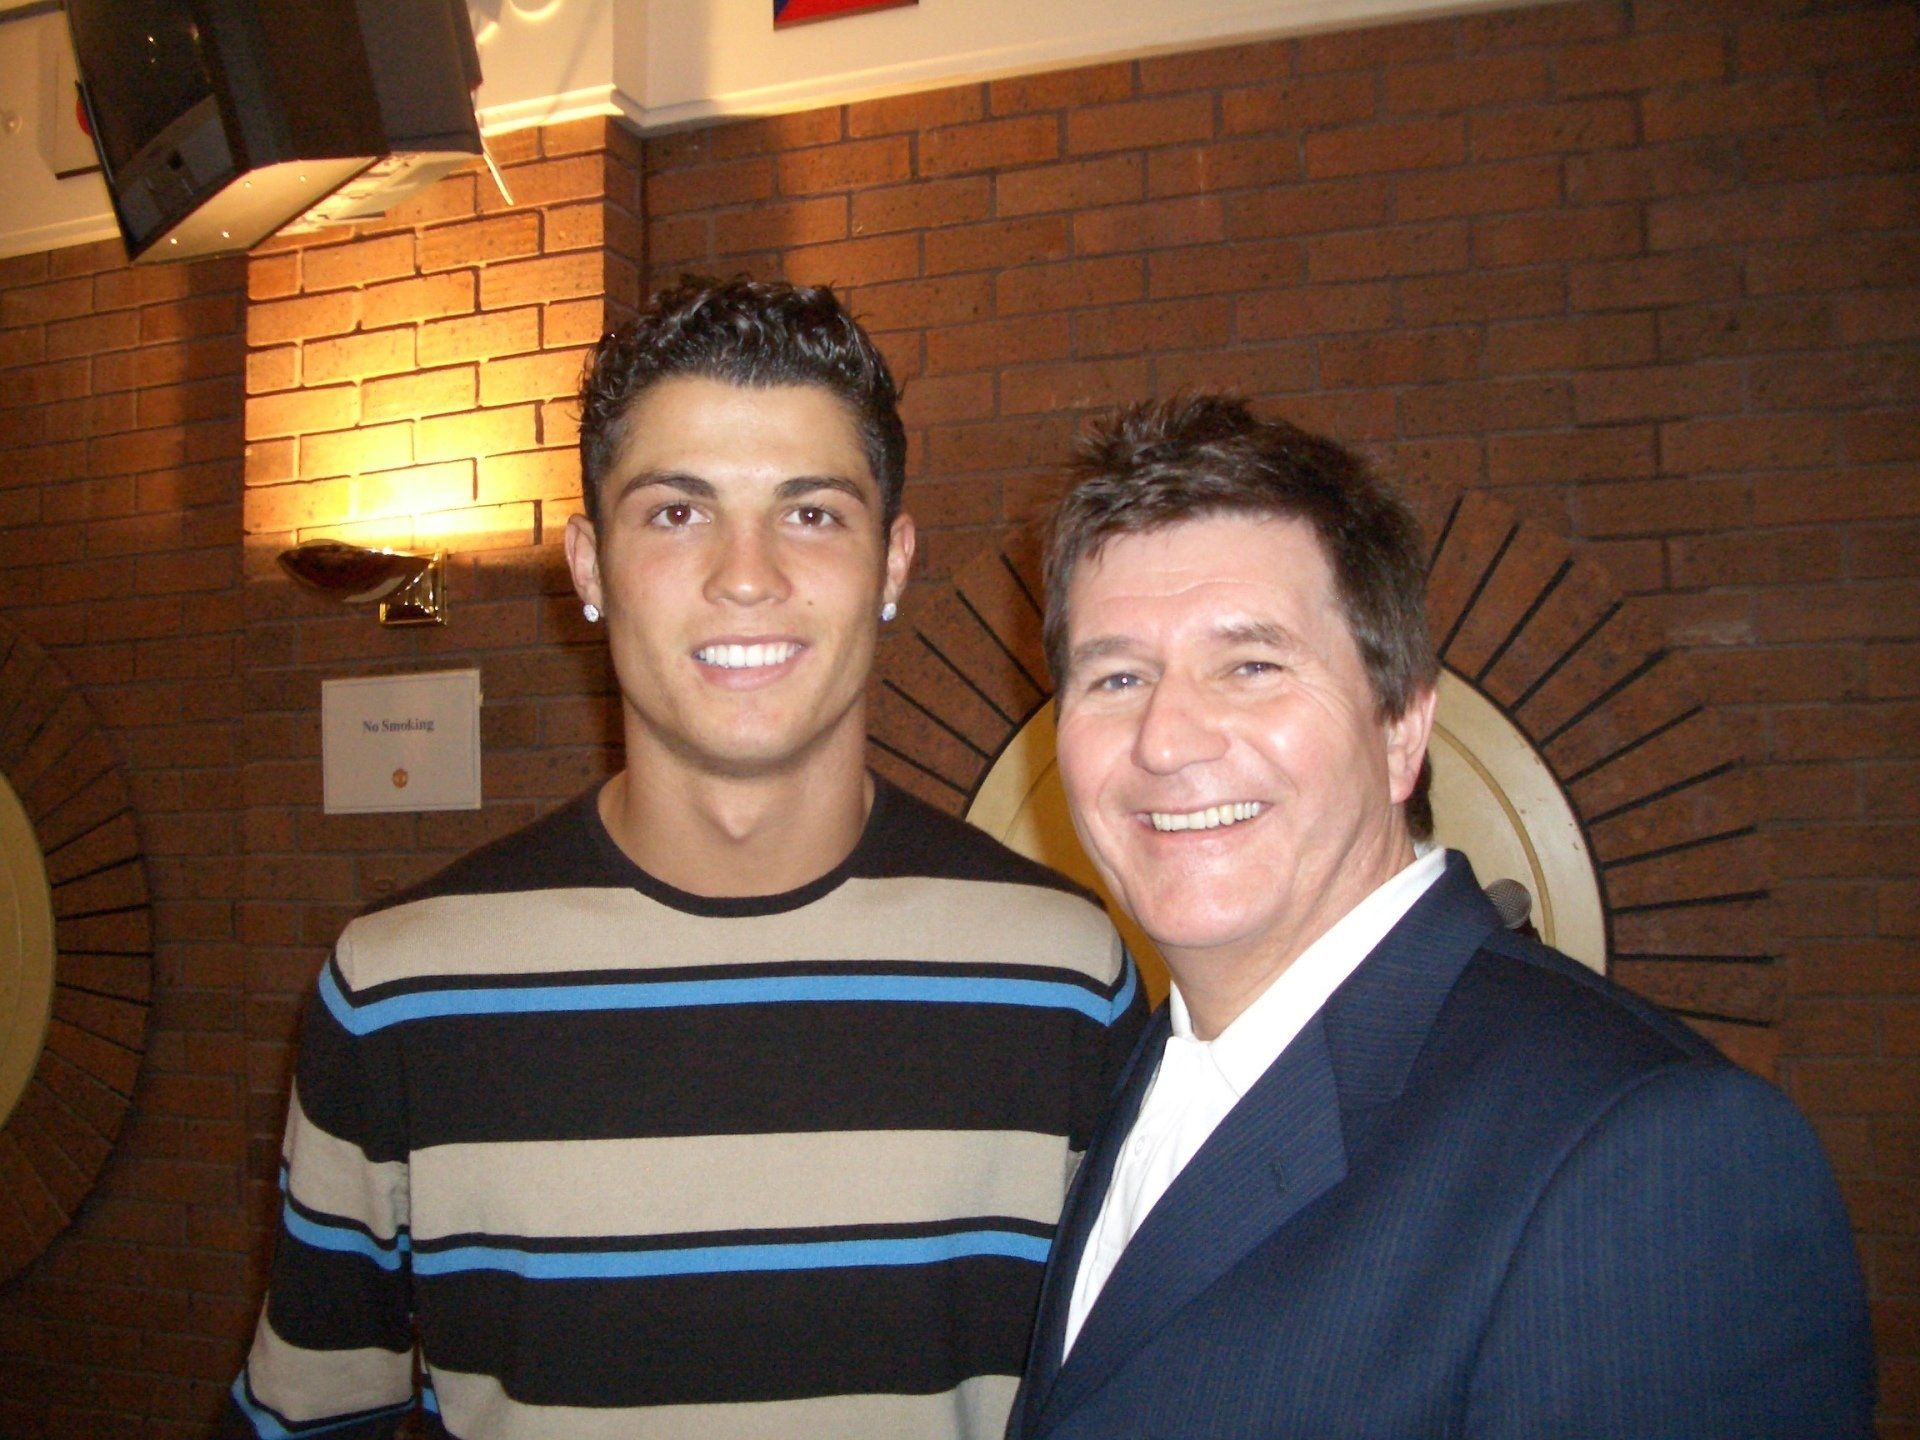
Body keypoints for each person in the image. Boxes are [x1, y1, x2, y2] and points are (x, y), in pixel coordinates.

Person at [219, 276, 1144, 1440]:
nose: (745, 575)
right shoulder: (398, 994)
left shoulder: (1062, 981)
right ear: (589, 567)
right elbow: (311, 1416)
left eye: (813, 513)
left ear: (893, 563)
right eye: (675, 513)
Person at [1010, 394, 1874, 1439]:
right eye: (1117, 676)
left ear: (1402, 729)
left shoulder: (1653, 1153)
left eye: (1251, 666)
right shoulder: (1149, 1066)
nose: (1165, 738)